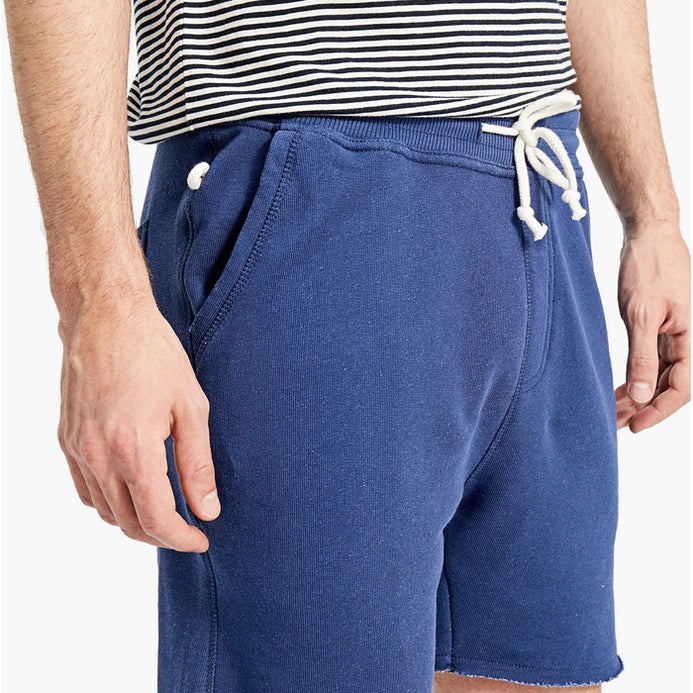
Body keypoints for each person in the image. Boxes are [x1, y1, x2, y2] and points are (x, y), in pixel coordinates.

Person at [4, 0, 690, 691]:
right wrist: (98, 303)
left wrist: (654, 214)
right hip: (309, 206)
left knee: (535, 672)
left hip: (541, 191)